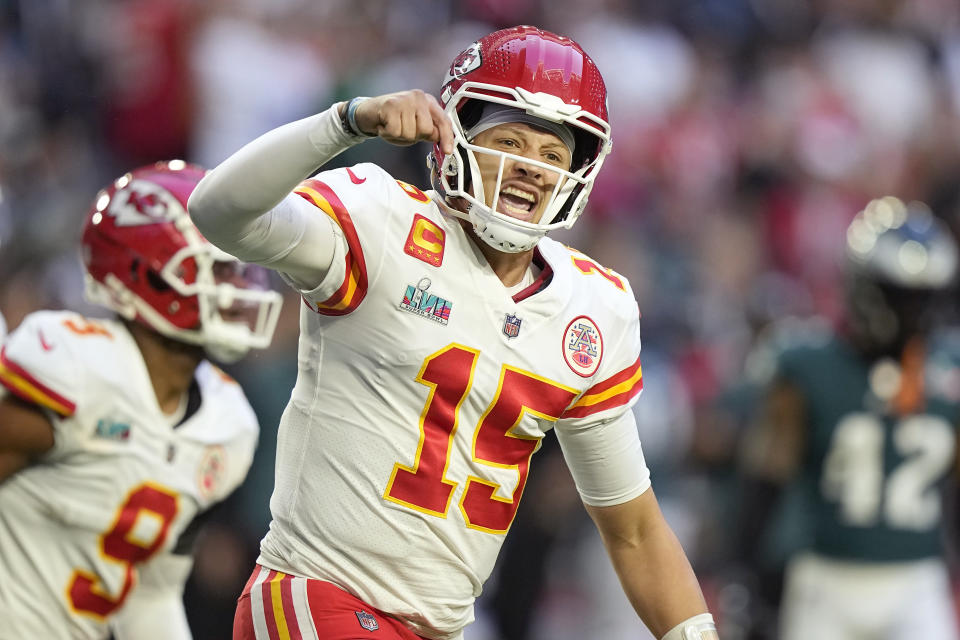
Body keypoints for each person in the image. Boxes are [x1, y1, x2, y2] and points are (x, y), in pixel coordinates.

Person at [189, 25, 718, 640]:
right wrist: (345, 123)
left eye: (552, 156)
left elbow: (633, 530)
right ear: (455, 136)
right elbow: (218, 212)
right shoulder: (380, 220)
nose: (532, 170)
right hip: (319, 593)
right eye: (511, 141)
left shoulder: (593, 309)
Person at [0, 161, 283, 639]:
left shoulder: (228, 423)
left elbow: (152, 591)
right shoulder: (77, 369)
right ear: (148, 274)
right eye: (217, 267)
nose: (236, 286)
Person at [739, 196, 960, 640]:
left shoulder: (946, 373)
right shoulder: (808, 366)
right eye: (902, 296)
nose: (916, 314)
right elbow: (765, 482)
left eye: (924, 298)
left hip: (917, 579)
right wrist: (749, 578)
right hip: (824, 579)